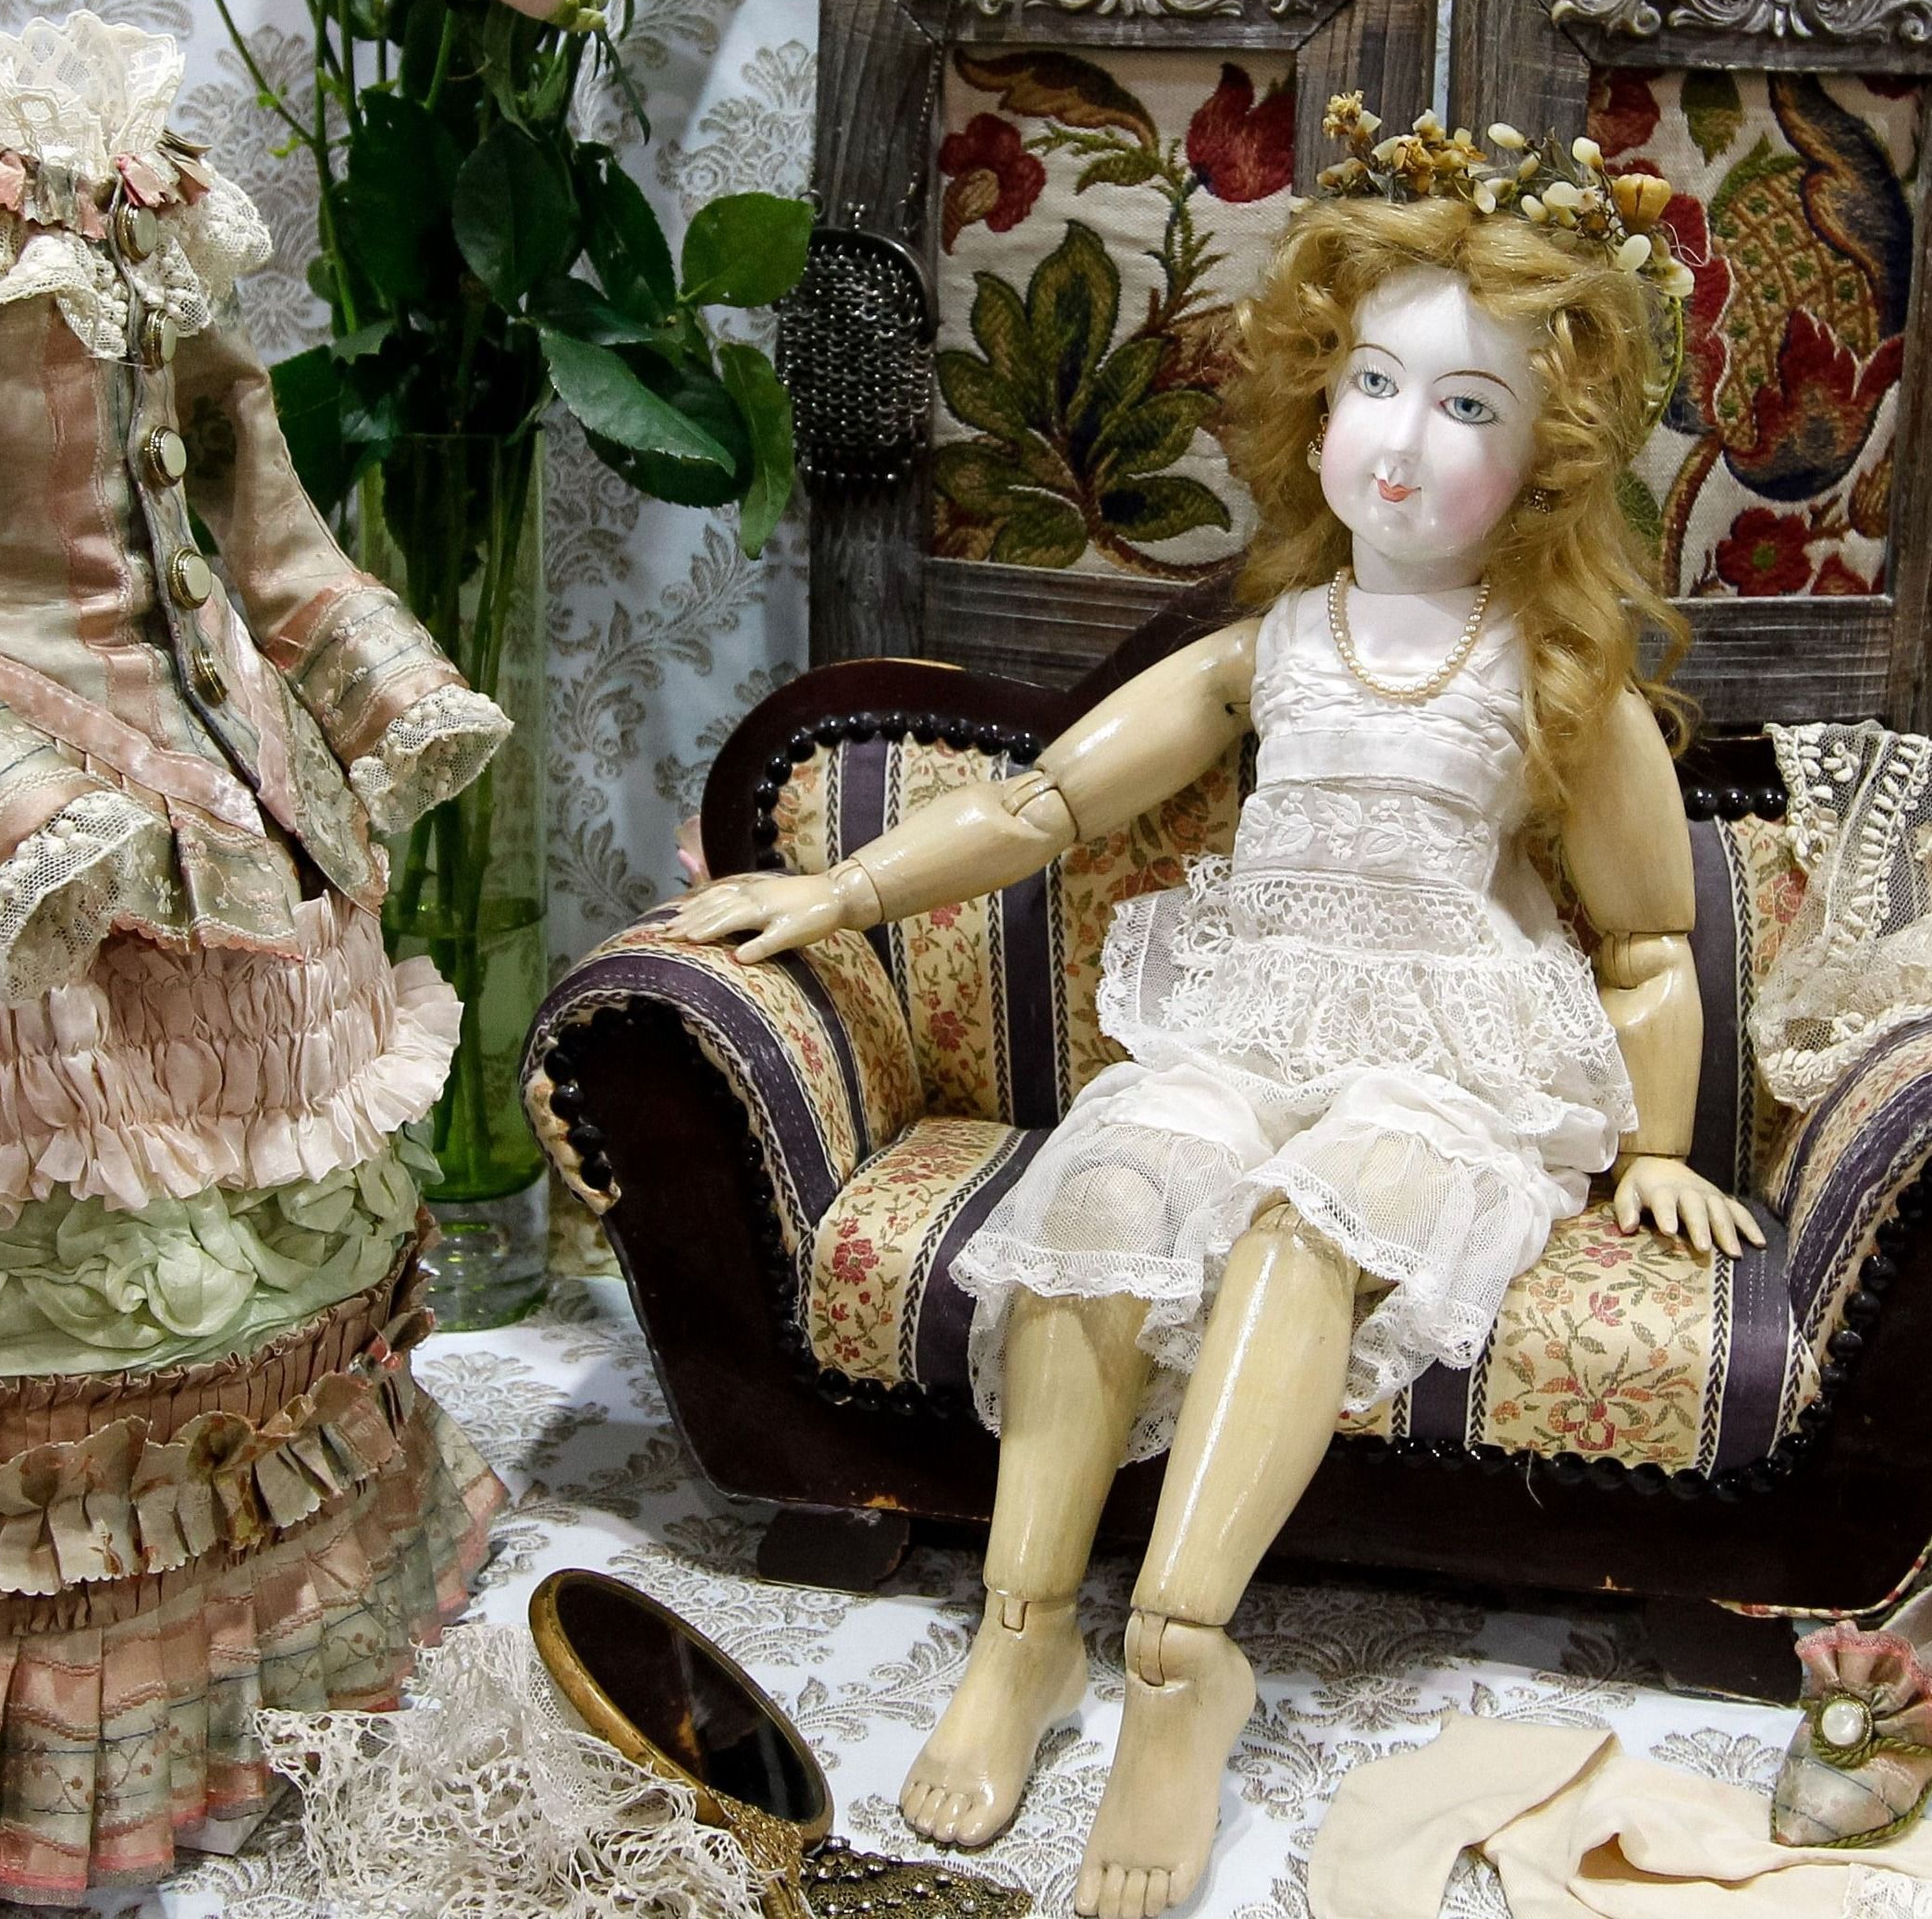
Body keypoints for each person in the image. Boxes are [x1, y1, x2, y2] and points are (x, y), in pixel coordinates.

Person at [665, 103, 1760, 1919]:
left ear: (1548, 456)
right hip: (1243, 1025)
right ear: (1314, 405)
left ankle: (1181, 1661)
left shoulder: (1551, 679)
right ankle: (1022, 1631)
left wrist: (1656, 1144)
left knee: (1306, 1231)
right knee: (1106, 1191)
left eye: (1468, 407)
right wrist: (836, 890)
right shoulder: (1272, 652)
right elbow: (1043, 803)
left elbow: (1646, 943)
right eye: (1376, 387)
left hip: (1448, 1061)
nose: (1403, 442)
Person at [0, 15, 511, 1912]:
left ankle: (241, 1688)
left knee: (268, 1276)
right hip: (8, 776)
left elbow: (248, 491)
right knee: (43, 1311)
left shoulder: (154, 202)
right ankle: (6, 1777)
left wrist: (370, 677)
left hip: (226, 786)